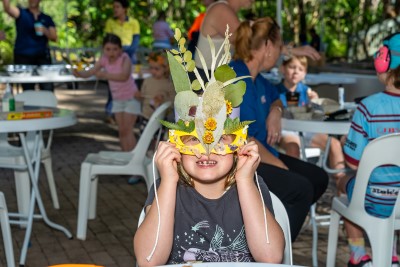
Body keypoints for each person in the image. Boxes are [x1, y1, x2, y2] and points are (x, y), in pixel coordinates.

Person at [134, 28, 285, 265]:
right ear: (176, 146)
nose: (206, 150)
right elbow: (148, 260)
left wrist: (245, 180)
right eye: (194, 138)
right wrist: (169, 181)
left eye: (221, 139)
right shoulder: (167, 188)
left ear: (238, 146)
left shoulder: (252, 186)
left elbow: (271, 257)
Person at [230, 17, 329, 242]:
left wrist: (276, 112)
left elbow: (277, 98)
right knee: (299, 189)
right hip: (238, 161)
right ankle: (274, 249)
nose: (280, 53)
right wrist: (281, 167)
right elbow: (243, 139)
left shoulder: (259, 79)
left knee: (318, 178)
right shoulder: (236, 78)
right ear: (267, 47)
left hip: (261, 153)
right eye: (279, 45)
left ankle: (267, 226)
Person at [336, 32, 400, 267]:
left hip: (373, 199)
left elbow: (354, 163)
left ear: (385, 62)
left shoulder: (368, 108)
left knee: (343, 181)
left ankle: (358, 256)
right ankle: (391, 255)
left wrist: (345, 144)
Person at [194, 0, 320, 79]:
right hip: (206, 80)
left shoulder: (228, 11)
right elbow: (251, 44)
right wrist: (292, 51)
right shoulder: (220, 9)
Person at [276, 55, 346, 179]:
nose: (296, 72)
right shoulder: (275, 91)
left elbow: (318, 116)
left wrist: (315, 103)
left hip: (306, 130)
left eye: (300, 69)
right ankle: (295, 183)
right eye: (292, 67)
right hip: (285, 130)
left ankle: (341, 182)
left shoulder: (307, 91)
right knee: (294, 147)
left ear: (305, 73)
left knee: (334, 144)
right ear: (283, 69)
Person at [73, 34, 140, 153]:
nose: (111, 52)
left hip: (131, 97)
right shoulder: (103, 59)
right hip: (117, 100)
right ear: (103, 49)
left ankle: (134, 159)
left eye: (115, 49)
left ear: (120, 49)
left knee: (128, 130)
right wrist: (79, 74)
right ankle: (125, 158)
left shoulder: (125, 58)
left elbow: (124, 76)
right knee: (121, 131)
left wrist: (104, 75)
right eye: (108, 49)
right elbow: (91, 72)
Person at [2, 0, 57, 91]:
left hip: (42, 56)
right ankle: (29, 105)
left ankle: (47, 105)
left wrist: (45, 31)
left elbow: (54, 37)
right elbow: (7, 9)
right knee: (27, 89)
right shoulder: (21, 13)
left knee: (47, 87)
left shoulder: (46, 18)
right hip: (23, 56)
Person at [104, 0, 140, 123]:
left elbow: (135, 43)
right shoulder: (110, 22)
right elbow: (108, 41)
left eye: (117, 7)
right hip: (114, 56)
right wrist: (116, 53)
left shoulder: (134, 22)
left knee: (133, 83)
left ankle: (133, 112)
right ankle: (110, 111)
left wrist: (123, 53)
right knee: (113, 82)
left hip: (128, 55)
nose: (115, 9)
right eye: (114, 7)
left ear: (125, 8)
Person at [135, 51, 175, 122]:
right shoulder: (147, 80)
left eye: (157, 69)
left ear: (165, 68)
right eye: (151, 68)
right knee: (145, 133)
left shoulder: (168, 84)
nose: (153, 71)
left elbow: (173, 102)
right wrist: (138, 96)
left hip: (161, 118)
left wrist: (163, 99)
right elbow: (142, 97)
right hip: (146, 116)